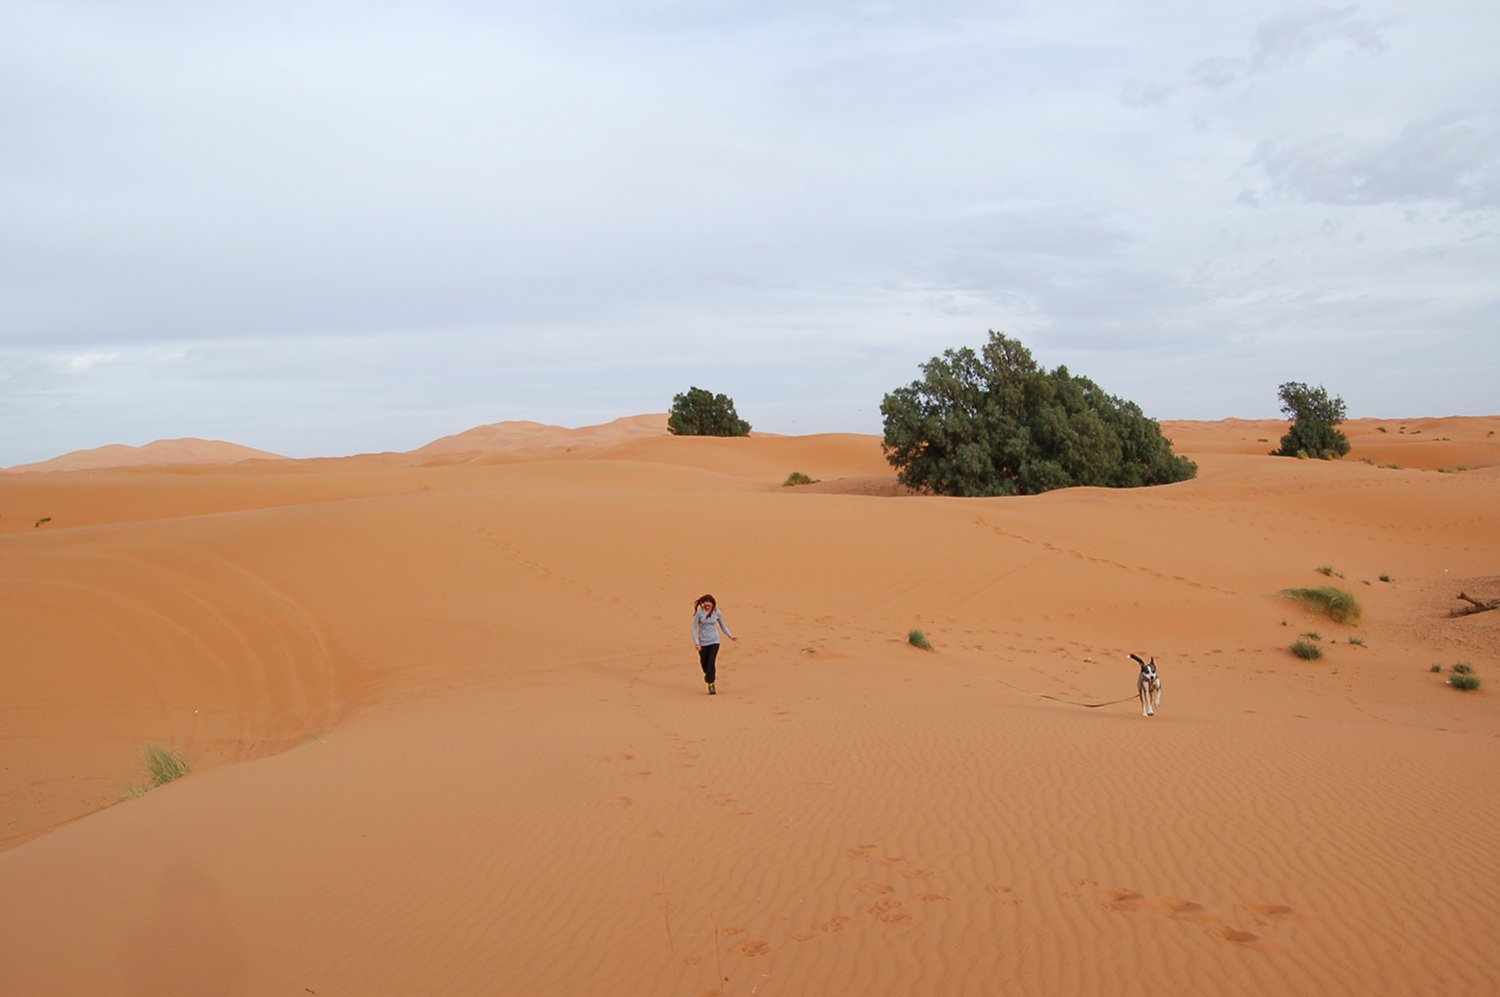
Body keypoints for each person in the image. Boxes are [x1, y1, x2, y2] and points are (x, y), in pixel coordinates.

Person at [692, 593, 737, 695]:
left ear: (713, 604)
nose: (707, 607)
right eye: (705, 605)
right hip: (702, 642)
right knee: (704, 663)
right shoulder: (699, 613)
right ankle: (708, 676)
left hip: (714, 641)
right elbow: (694, 628)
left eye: (709, 605)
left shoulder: (717, 613)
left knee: (711, 662)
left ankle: (711, 684)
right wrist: (696, 643)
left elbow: (723, 626)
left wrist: (730, 635)